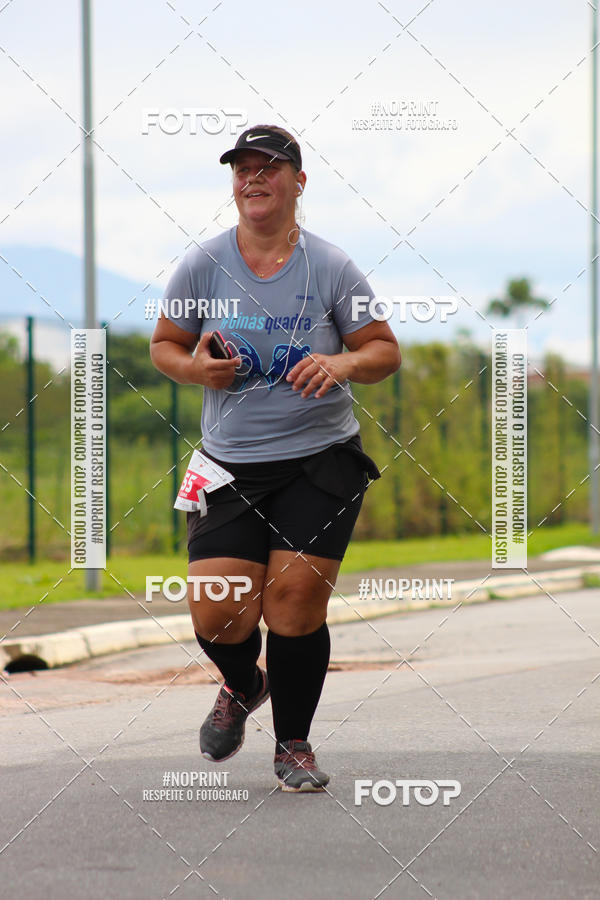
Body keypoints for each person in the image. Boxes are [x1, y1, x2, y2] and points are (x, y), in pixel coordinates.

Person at [150, 125, 400, 792]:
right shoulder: (202, 264)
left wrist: (342, 359)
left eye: (268, 168)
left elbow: (383, 350)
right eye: (242, 169)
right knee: (219, 611)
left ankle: (294, 745)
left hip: (318, 460)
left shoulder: (332, 266)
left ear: (298, 181)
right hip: (229, 466)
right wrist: (197, 372)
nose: (253, 179)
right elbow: (166, 345)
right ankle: (242, 684)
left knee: (292, 603)